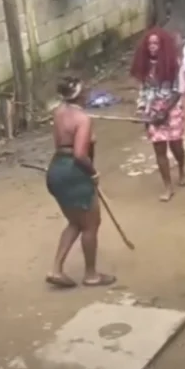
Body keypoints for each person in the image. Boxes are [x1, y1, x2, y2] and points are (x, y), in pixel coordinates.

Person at [45, 76, 115, 288]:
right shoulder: (82, 119)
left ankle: (56, 269)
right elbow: (79, 154)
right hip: (73, 172)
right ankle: (91, 274)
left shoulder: (58, 112)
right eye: (86, 90)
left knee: (76, 222)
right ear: (80, 94)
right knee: (90, 224)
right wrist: (92, 173)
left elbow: (61, 143)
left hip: (56, 169)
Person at [131, 28, 185, 201]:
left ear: (162, 45)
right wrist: (141, 109)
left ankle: (181, 169)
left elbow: (178, 91)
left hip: (172, 108)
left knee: (176, 146)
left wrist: (165, 111)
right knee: (159, 148)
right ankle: (167, 187)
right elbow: (144, 89)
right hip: (153, 110)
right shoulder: (145, 64)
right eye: (149, 43)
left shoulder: (175, 63)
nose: (152, 47)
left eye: (156, 43)